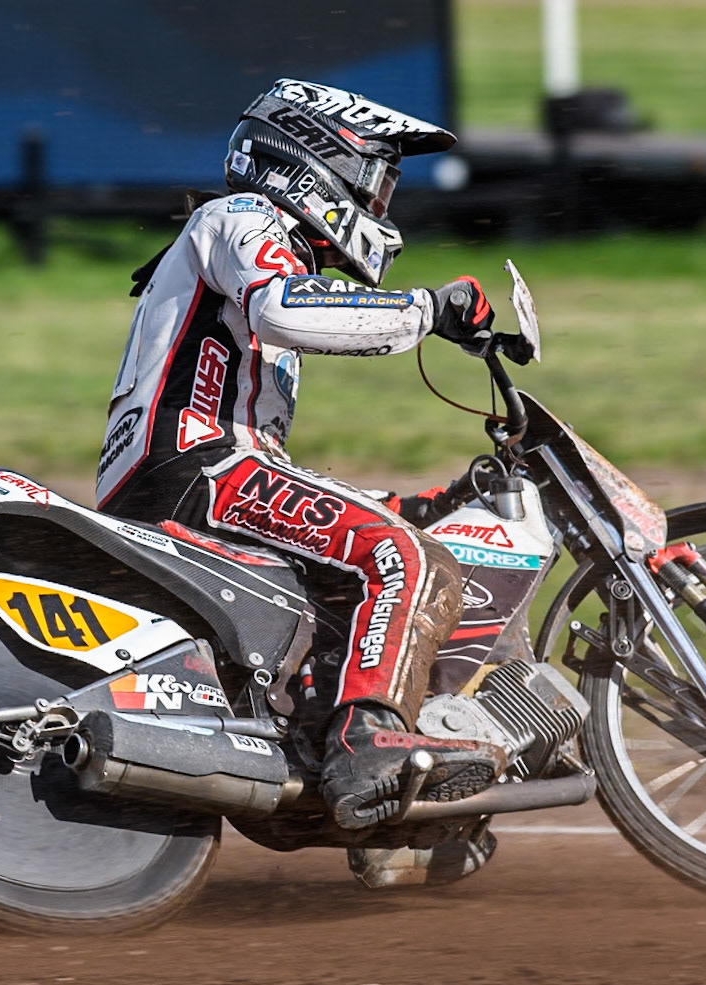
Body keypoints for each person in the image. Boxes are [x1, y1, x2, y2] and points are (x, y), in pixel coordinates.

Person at [96, 78, 506, 846]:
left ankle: (363, 805)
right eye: (376, 181)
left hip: (199, 471)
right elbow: (284, 307)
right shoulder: (243, 217)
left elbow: (275, 460)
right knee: (409, 562)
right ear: (314, 162)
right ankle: (366, 746)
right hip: (194, 468)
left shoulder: (243, 239)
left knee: (387, 547)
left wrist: (411, 499)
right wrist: (428, 309)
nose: (383, 206)